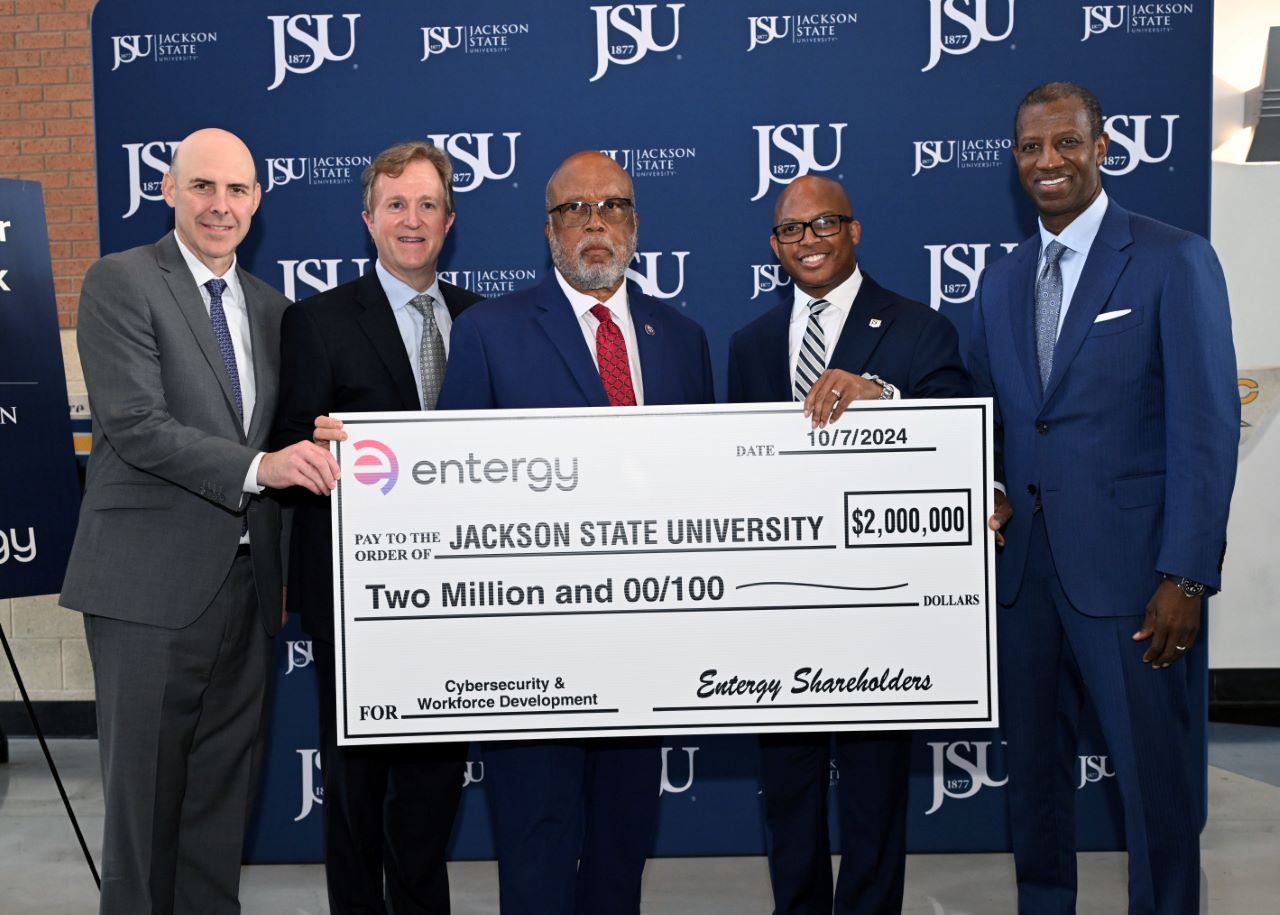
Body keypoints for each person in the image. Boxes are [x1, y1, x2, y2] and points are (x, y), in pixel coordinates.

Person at [970, 82, 1239, 914]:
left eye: (1066, 143)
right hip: (1027, 585)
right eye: (1029, 148)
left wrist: (1187, 576)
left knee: (1157, 795)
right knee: (1037, 797)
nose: (1047, 162)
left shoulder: (1171, 258)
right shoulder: (1003, 279)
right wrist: (994, 488)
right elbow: (999, 421)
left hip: (1137, 585)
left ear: (1103, 147)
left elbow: (1205, 427)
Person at [60, 128, 339, 913]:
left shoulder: (273, 309)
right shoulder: (120, 282)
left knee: (219, 810)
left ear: (258, 200)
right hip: (145, 593)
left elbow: (286, 430)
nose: (222, 205)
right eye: (204, 187)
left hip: (248, 590)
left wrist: (338, 441)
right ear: (169, 191)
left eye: (239, 190)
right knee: (143, 818)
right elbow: (138, 424)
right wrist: (262, 468)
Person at [436, 150, 714, 915]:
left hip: (646, 646)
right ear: (549, 229)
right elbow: (454, 494)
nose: (595, 223)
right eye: (574, 210)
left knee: (623, 850)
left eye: (613, 206)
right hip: (533, 651)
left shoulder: (680, 339)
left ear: (635, 222)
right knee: (537, 851)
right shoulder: (489, 333)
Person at [728, 175, 970, 915]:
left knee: (872, 793)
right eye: (792, 230)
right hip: (780, 606)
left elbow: (961, 426)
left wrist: (884, 398)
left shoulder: (918, 326)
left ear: (855, 231)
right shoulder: (752, 343)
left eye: (823, 223)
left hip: (879, 602)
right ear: (775, 246)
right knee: (790, 793)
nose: (808, 240)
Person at [272, 141, 482, 914]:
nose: (413, 219)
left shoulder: (483, 322)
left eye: (428, 204)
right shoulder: (317, 321)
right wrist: (315, 448)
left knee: (433, 786)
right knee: (358, 789)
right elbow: (287, 447)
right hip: (358, 603)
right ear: (369, 219)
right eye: (397, 204)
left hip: (460, 596)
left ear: (450, 221)